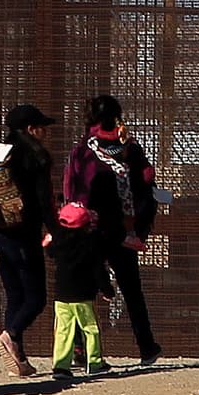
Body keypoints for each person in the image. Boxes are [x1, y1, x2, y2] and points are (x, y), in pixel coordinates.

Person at [0, 106, 55, 380]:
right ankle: (10, 336)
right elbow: (44, 200)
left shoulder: (0, 152)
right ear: (31, 129)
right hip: (24, 233)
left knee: (15, 295)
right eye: (43, 127)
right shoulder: (35, 156)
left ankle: (17, 359)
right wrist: (56, 231)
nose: (46, 132)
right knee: (36, 298)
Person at [84, 95, 164, 370]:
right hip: (125, 228)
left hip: (92, 226)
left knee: (85, 289)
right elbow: (147, 179)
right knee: (132, 290)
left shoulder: (84, 149)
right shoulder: (129, 147)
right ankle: (146, 346)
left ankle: (82, 349)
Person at [45, 121, 120, 385]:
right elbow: (98, 269)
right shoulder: (90, 243)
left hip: (61, 294)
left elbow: (50, 251)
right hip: (83, 295)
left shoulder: (60, 242)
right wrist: (107, 289)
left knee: (63, 329)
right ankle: (94, 361)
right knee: (89, 327)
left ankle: (61, 365)